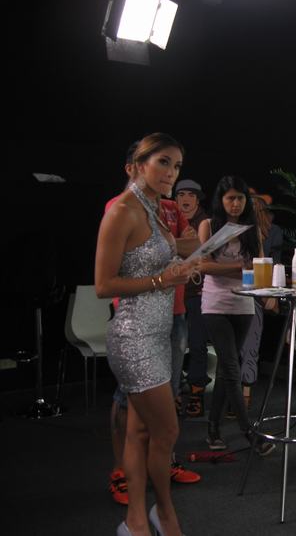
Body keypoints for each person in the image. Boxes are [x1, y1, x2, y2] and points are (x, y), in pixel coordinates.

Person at [96, 133, 199, 536]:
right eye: (163, 162)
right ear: (137, 165)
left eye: (177, 165)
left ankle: (135, 521)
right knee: (167, 431)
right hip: (134, 338)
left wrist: (180, 269)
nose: (172, 173)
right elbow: (104, 285)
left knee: (139, 432)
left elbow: (153, 263)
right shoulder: (123, 210)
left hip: (158, 333)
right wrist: (162, 279)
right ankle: (165, 514)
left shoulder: (154, 209)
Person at [199, 175, 275, 455]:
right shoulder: (209, 226)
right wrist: (240, 270)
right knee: (232, 367)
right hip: (215, 304)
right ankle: (249, 432)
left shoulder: (251, 230)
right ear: (220, 200)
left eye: (240, 198)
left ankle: (213, 428)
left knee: (227, 367)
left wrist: (263, 287)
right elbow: (204, 266)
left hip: (244, 304)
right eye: (230, 198)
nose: (235, 203)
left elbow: (260, 266)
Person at [175, 179, 212, 418]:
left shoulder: (206, 223)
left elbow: (205, 254)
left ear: (197, 200)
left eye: (190, 195)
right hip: (174, 291)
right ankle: (175, 391)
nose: (185, 199)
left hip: (197, 292)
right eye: (181, 195)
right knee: (173, 344)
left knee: (197, 343)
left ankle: (197, 394)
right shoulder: (169, 220)